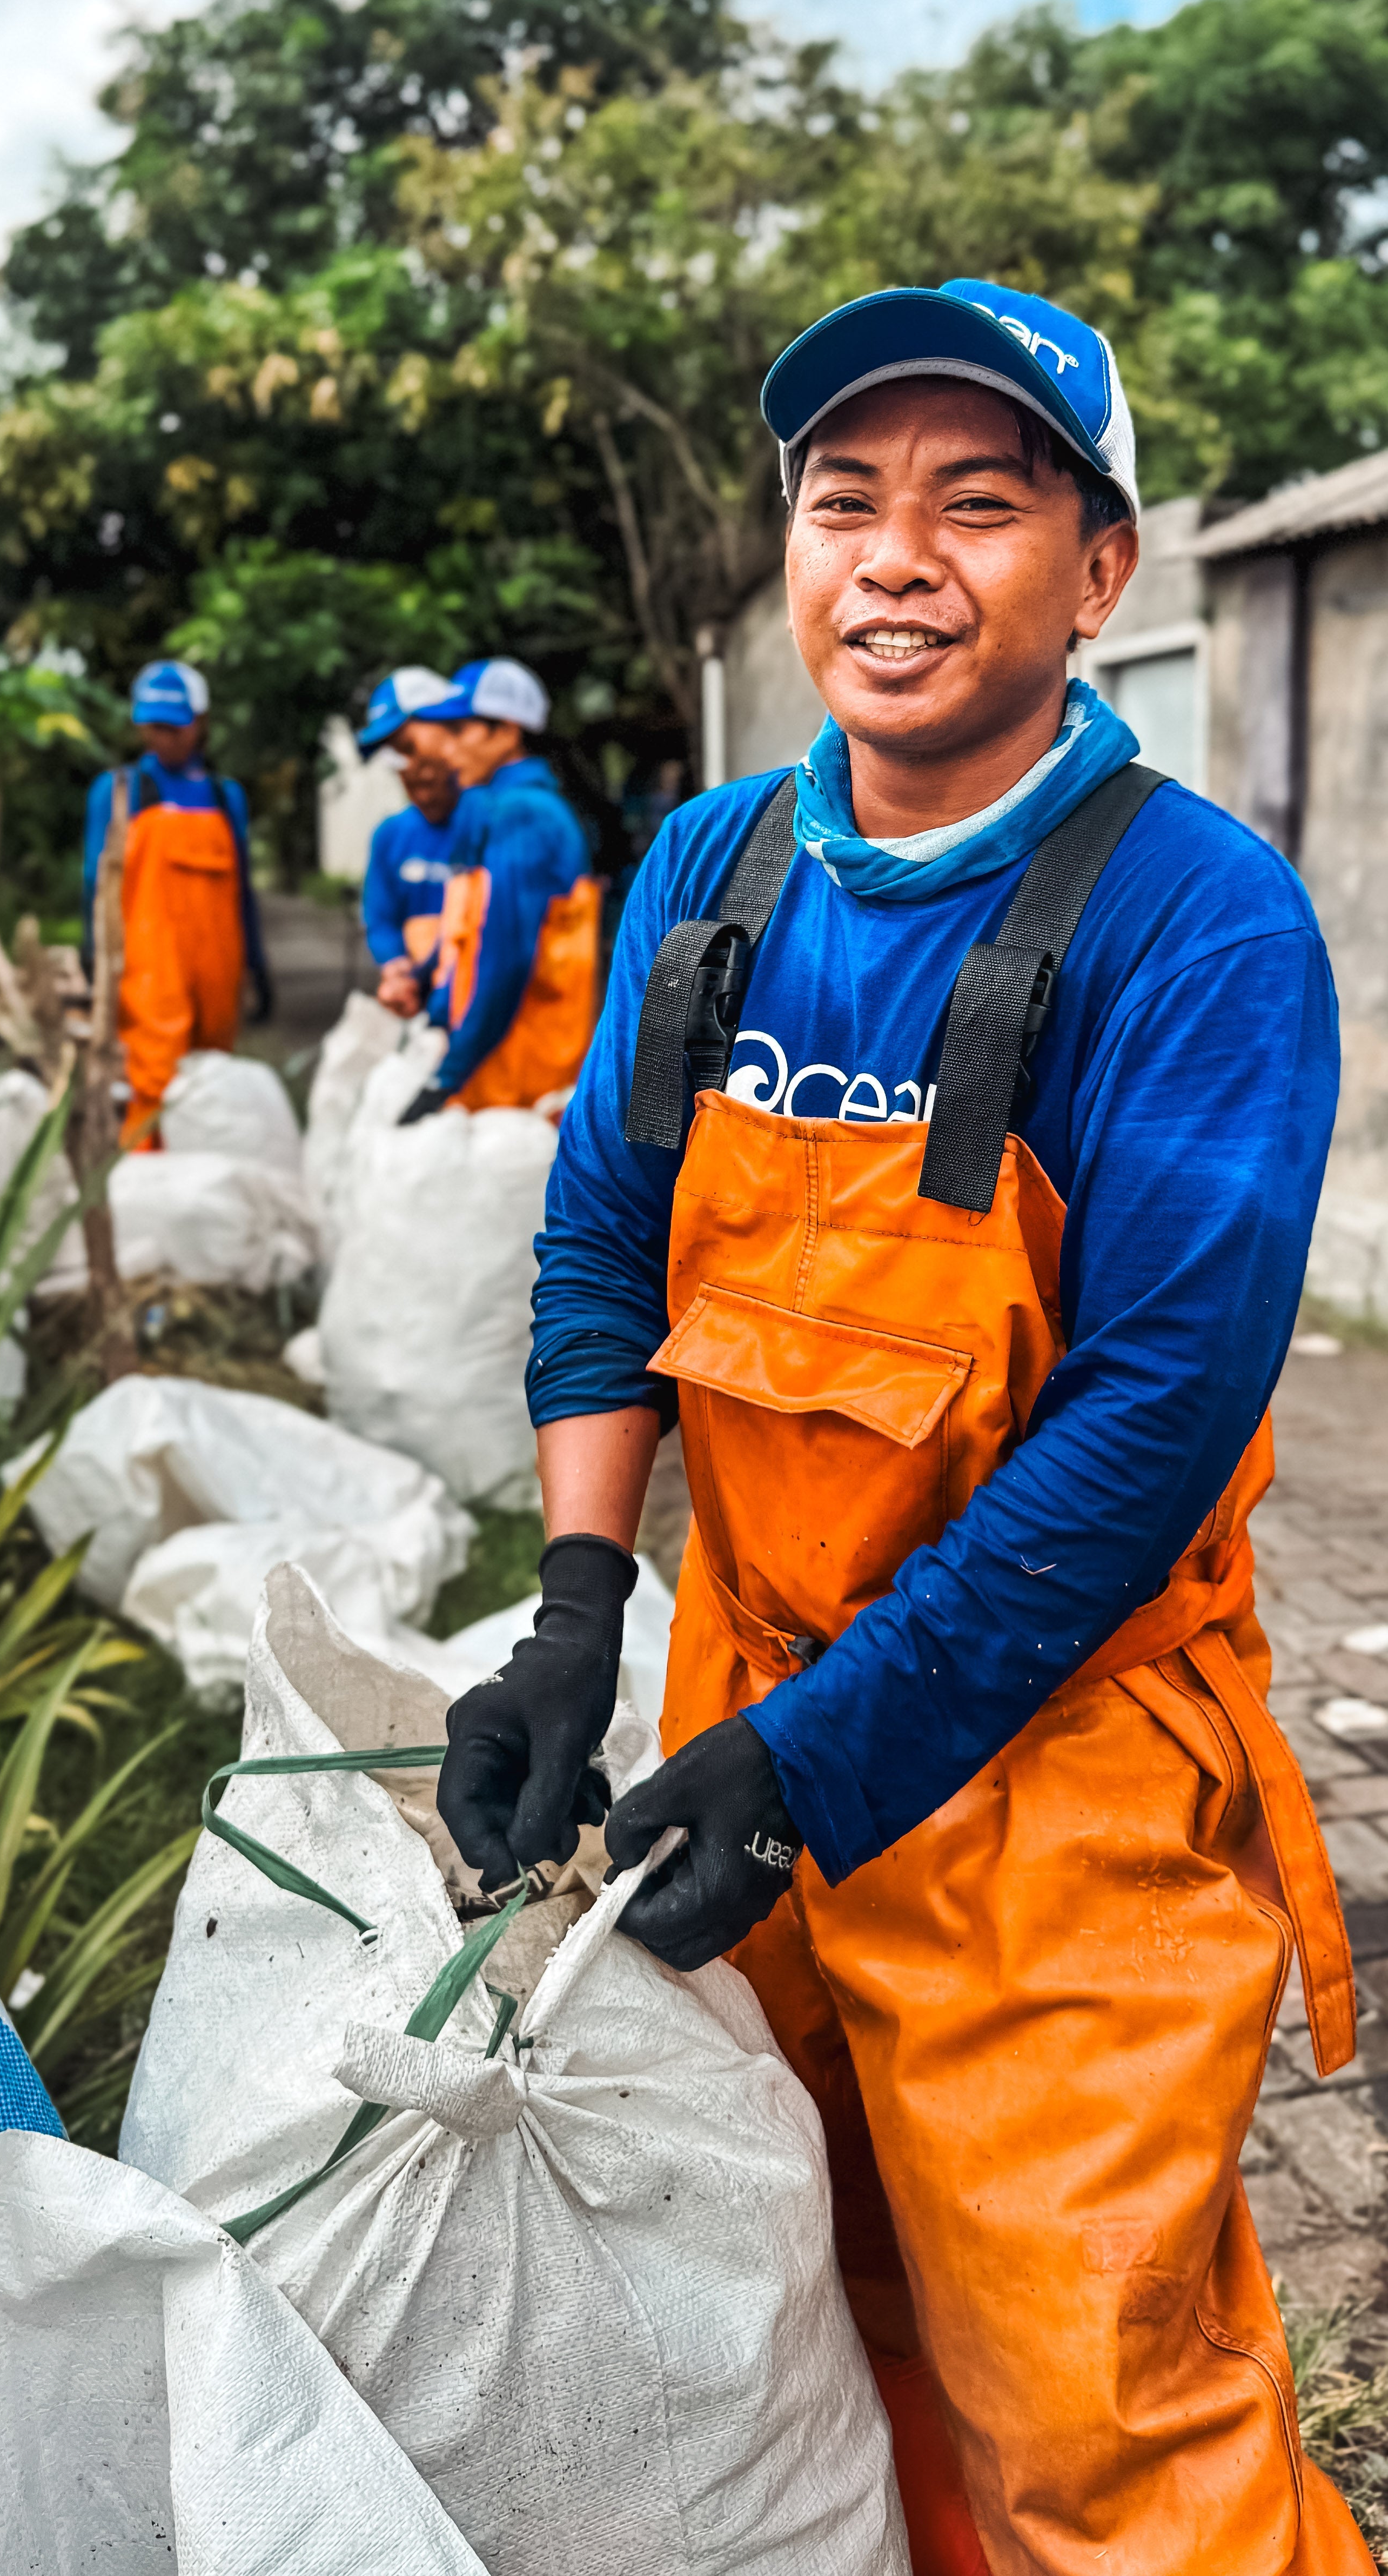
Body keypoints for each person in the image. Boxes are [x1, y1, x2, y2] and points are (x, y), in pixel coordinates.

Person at [438, 280, 1371, 2575]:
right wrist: (578, 1608)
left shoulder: (1203, 927)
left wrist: (825, 1759)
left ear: (1101, 569)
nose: (895, 557)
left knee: (1092, 2428)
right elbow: (597, 1255)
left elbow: (1148, 1425)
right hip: (738, 1708)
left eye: (980, 500)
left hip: (1045, 1784)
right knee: (805, 2336)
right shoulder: (712, 874)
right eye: (844, 500)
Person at [399, 657, 602, 1125]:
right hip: (503, 1076)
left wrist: (444, 1078)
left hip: (521, 1086)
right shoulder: (500, 807)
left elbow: (505, 960)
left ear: (507, 732)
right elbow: (465, 936)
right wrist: (433, 1008)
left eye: (459, 733)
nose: (446, 753)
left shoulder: (523, 815)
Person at [83, 658, 271, 1147]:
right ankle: (145, 1189)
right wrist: (93, 961)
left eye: (175, 727)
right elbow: (95, 884)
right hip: (149, 970)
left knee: (211, 1086)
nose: (163, 739)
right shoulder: (121, 791)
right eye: (154, 728)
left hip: (218, 969)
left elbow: (243, 888)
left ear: (201, 724)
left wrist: (256, 963)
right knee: (152, 1084)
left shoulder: (225, 798)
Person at [357, 666, 461, 1018]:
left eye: (408, 746)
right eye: (396, 756)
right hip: (422, 1006)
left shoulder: (488, 825)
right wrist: (396, 968)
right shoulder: (392, 835)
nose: (411, 767)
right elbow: (380, 916)